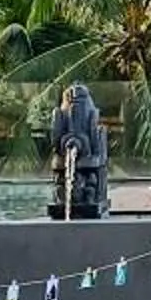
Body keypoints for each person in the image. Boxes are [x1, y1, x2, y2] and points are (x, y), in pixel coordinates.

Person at [51, 82, 111, 219]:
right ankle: (65, 202)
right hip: (70, 154)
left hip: (87, 155)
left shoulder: (94, 129)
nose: (76, 109)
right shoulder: (60, 118)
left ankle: (87, 199)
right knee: (61, 184)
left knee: (91, 183)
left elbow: (97, 159)